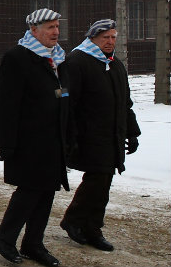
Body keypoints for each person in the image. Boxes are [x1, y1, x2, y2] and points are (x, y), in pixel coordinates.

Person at [0, 8, 69, 267]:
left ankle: (33, 243)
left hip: (53, 137)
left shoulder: (57, 58)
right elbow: (6, 104)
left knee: (47, 191)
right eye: (49, 27)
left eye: (57, 26)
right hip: (29, 139)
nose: (56, 32)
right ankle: (5, 237)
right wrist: (7, 142)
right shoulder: (18, 57)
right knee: (30, 191)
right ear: (34, 31)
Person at [59, 19, 140, 253]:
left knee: (104, 180)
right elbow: (69, 103)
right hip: (88, 134)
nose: (110, 41)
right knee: (97, 178)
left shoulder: (115, 64)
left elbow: (125, 102)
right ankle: (76, 221)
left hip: (111, 133)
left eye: (113, 37)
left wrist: (132, 132)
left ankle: (90, 226)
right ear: (93, 38)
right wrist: (70, 135)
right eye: (105, 37)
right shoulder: (78, 61)